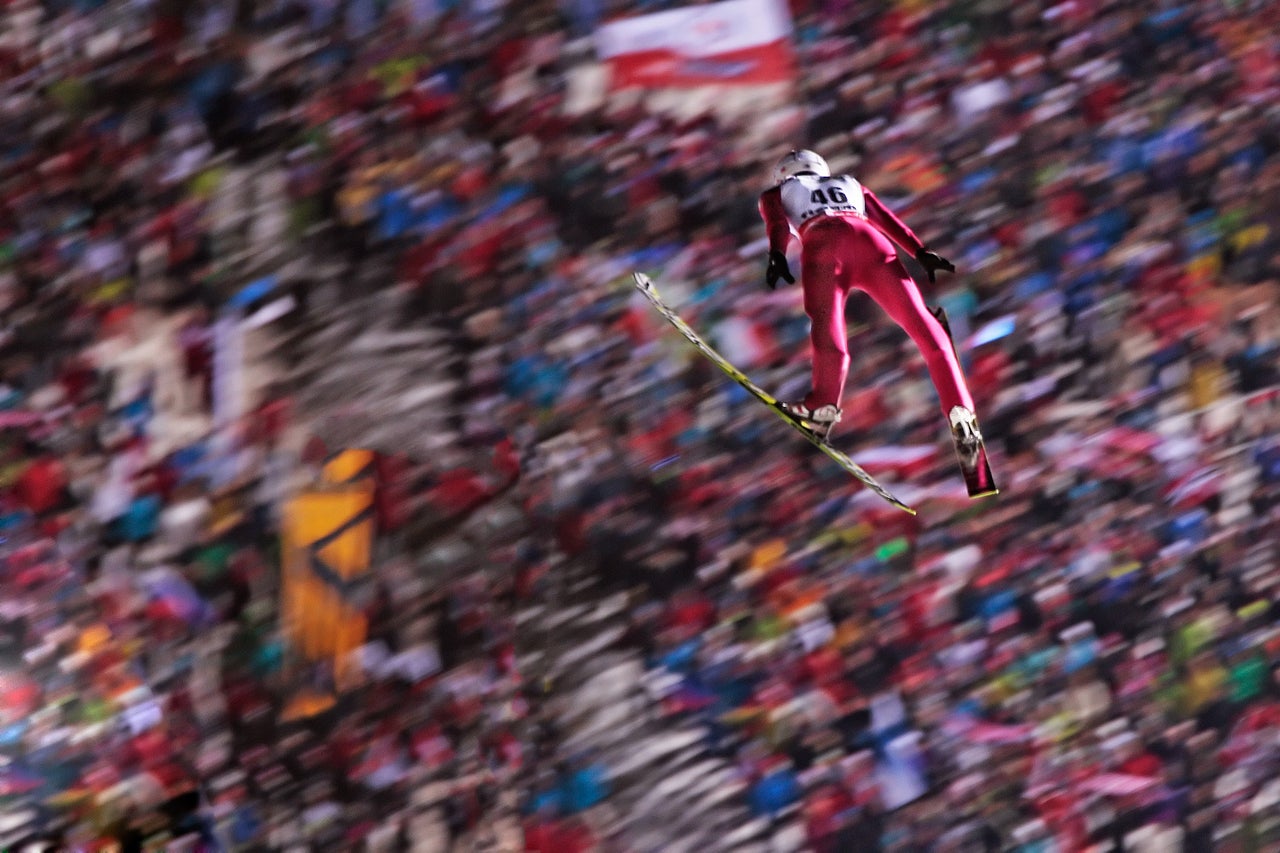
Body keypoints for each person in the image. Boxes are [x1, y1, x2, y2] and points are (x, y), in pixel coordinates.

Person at [757, 149, 989, 478]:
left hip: (823, 243)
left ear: (784, 174)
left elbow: (778, 224)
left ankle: (822, 406)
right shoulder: (849, 182)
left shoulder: (776, 193)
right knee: (924, 326)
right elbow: (884, 218)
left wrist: (777, 255)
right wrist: (921, 251)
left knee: (828, 326)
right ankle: (961, 409)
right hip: (870, 241)